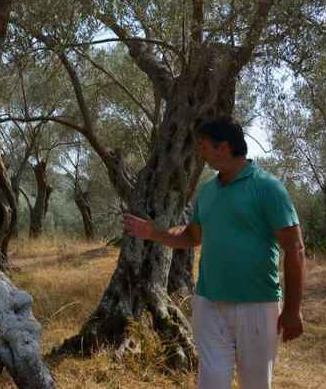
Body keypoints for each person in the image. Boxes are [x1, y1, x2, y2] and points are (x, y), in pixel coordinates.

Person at [123, 116, 305, 389]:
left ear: (223, 148)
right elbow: (191, 237)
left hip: (257, 306)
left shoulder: (267, 188)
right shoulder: (207, 193)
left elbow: (295, 248)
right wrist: (154, 233)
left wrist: (292, 310)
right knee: (211, 382)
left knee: (255, 384)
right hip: (209, 304)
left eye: (204, 146)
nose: (200, 152)